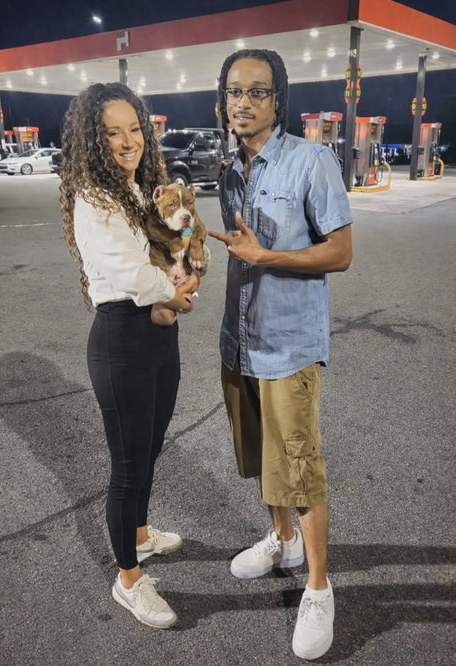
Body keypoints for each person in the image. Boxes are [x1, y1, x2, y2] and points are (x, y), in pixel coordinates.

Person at [208, 50, 353, 660]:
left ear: (278, 100)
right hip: (239, 338)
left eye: (257, 92)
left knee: (300, 462)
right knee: (264, 454)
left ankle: (318, 587)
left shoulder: (311, 162)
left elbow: (341, 252)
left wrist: (268, 257)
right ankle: (282, 539)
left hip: (290, 344)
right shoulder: (228, 170)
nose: (243, 102)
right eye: (234, 91)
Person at [59, 82, 199, 629]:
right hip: (122, 339)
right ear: (93, 140)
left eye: (134, 129)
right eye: (113, 133)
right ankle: (129, 581)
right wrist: (176, 292)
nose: (127, 141)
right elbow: (133, 274)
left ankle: (139, 536)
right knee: (127, 467)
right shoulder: (94, 198)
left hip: (158, 336)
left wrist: (184, 278)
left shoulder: (134, 190)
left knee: (151, 448)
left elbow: (168, 247)